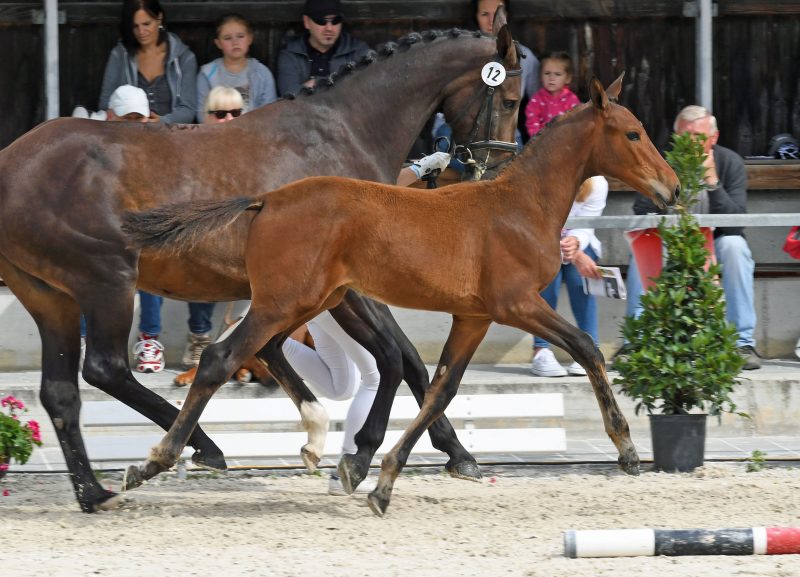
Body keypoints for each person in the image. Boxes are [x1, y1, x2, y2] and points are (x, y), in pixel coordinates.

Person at [223, 151, 451, 495]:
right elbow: (382, 189)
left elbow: (383, 189)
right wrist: (419, 168)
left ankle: (268, 338)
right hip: (333, 292)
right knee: (375, 374)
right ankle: (346, 468)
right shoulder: (333, 171)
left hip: (330, 293)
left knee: (341, 386)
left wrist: (420, 168)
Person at [98, 0, 198, 372]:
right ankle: (90, 340)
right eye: (135, 25)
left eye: (147, 23)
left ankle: (153, 339)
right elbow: (105, 101)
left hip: (169, 146)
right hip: (125, 147)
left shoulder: (181, 56)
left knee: (154, 246)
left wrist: (159, 122)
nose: (141, 31)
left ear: (160, 20)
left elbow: (189, 107)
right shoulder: (120, 55)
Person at [624, 105, 761, 370]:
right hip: (670, 241)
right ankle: (636, 343)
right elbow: (640, 213)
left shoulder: (729, 162)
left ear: (713, 138)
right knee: (640, 250)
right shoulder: (659, 161)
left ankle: (741, 342)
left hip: (718, 241)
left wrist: (713, 183)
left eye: (697, 137)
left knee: (736, 248)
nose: (689, 143)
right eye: (683, 136)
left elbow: (735, 224)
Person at [530, 176, 609, 377]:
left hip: (578, 242)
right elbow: (535, 224)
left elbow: (586, 226)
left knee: (579, 277)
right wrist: (573, 252)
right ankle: (541, 350)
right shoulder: (542, 176)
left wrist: (576, 244)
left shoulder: (598, 183)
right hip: (541, 242)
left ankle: (590, 349)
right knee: (549, 271)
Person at [276, 0, 370, 96]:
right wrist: (338, 83)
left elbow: (368, 92)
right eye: (321, 21)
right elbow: (289, 97)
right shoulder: (291, 53)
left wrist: (314, 83)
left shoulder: (357, 50)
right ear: (306, 22)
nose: (329, 28)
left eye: (335, 20)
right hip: (305, 111)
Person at [196, 13, 277, 122]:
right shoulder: (207, 74)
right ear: (218, 43)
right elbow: (202, 114)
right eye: (227, 38)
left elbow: (269, 114)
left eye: (240, 36)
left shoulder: (262, 73)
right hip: (217, 134)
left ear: (250, 38)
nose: (235, 42)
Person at [524, 50, 580, 138]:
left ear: (568, 78)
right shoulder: (536, 100)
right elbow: (532, 124)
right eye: (547, 73)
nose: (551, 78)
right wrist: (539, 139)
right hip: (542, 143)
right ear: (540, 76)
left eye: (557, 74)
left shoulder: (572, 100)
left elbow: (576, 124)